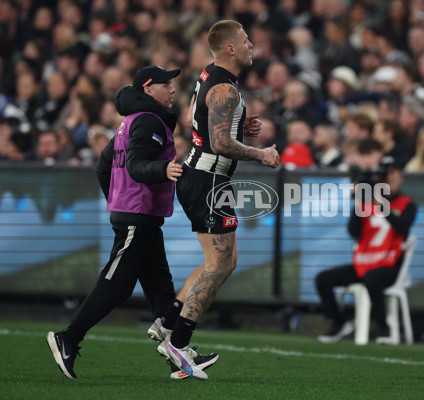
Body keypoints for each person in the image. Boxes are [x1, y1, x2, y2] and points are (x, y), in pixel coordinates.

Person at [45, 66, 219, 380]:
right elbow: (138, 165)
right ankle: (67, 338)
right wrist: (162, 171)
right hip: (138, 216)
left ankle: (177, 354)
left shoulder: (131, 121)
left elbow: (103, 165)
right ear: (149, 88)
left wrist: (118, 198)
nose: (172, 90)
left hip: (140, 215)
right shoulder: (149, 120)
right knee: (116, 284)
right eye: (167, 84)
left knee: (161, 292)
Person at [155, 20, 279, 380]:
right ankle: (178, 343)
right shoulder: (225, 88)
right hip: (209, 179)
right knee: (219, 264)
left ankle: (169, 324)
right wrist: (261, 154)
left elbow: (206, 125)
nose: (251, 44)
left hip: (203, 176)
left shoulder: (211, 76)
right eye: (244, 40)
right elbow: (221, 143)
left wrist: (240, 125)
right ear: (229, 48)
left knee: (224, 261)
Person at [315, 150, 417, 344]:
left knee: (372, 280)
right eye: (383, 175)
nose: (387, 179)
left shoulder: (407, 204)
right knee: (323, 279)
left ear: (400, 177)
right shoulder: (367, 202)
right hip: (364, 262)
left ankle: (383, 328)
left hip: (389, 265)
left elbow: (402, 226)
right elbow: (354, 232)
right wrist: (359, 201)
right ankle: (339, 322)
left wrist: (382, 206)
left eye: (392, 174)